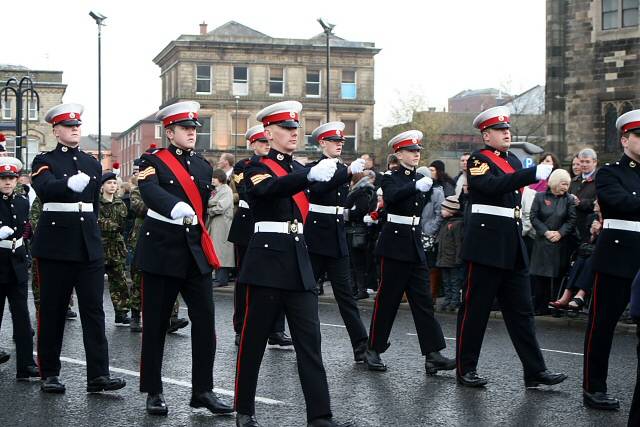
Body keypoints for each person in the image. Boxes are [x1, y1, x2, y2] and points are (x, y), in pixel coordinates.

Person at [234, 100, 352, 427]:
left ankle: (320, 416)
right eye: (286, 128)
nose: (293, 133)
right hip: (267, 260)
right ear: (268, 133)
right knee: (253, 341)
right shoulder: (255, 167)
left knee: (310, 343)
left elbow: (323, 186)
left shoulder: (300, 170)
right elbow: (271, 189)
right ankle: (244, 409)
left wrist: (346, 170)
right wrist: (308, 175)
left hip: (299, 260)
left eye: (295, 128)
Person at [456, 106, 566, 388]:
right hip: (486, 243)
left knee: (522, 312)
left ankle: (535, 371)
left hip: (512, 243)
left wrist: (528, 174)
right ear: (486, 135)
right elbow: (493, 186)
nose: (507, 133)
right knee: (476, 309)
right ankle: (465, 367)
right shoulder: (478, 161)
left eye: (507, 129)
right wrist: (532, 175)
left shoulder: (515, 161)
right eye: (500, 130)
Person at [135, 101, 232, 416]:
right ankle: (153, 390)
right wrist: (172, 206)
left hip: (193, 252)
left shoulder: (204, 165)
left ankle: (202, 390)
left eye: (194, 128)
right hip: (162, 249)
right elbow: (149, 191)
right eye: (186, 128)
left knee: (205, 324)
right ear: (170, 131)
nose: (192, 133)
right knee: (156, 324)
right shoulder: (153, 160)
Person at [31, 103, 125, 394]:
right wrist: (67, 184)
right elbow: (45, 188)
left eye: (77, 126)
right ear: (56, 130)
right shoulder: (44, 160)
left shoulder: (92, 163)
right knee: (53, 310)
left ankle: (99, 375)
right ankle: (49, 372)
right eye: (68, 126)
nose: (74, 129)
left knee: (94, 311)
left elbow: (95, 206)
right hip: (56, 246)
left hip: (88, 245)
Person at [365, 129, 455, 375]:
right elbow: (393, 197)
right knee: (387, 300)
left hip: (414, 243)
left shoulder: (419, 179)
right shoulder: (390, 177)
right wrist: (416, 185)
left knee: (423, 301)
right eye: (411, 151)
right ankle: (373, 348)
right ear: (399, 153)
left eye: (418, 151)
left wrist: (419, 184)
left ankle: (433, 353)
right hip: (394, 244)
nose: (416, 155)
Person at [581, 109, 640, 411]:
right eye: (638, 135)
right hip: (617, 254)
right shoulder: (609, 172)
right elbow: (620, 203)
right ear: (625, 139)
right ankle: (593, 387)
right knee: (602, 325)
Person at [305, 121, 369, 362]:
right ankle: (306, 342)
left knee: (346, 296)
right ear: (322, 143)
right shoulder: (314, 168)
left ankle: (361, 346)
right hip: (316, 236)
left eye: (341, 141)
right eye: (334, 141)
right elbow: (320, 189)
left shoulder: (343, 169)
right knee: (306, 293)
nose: (339, 145)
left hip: (337, 235)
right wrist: (348, 172)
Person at [227, 124, 292, 348]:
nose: (266, 146)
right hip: (248, 225)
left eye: (267, 141)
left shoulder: (282, 165)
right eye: (261, 142)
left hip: (274, 226)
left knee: (279, 278)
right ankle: (241, 327)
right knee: (245, 280)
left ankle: (276, 330)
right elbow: (248, 191)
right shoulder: (244, 166)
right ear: (253, 144)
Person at [0, 156, 38, 380]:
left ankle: (26, 364)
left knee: (22, 318)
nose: (7, 182)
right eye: (3, 178)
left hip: (17, 263)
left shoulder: (22, 201)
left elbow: (26, 227)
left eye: (11, 178)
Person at [528, 169, 576, 315]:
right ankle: (539, 307)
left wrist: (560, 233)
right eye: (563, 184)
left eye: (567, 184)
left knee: (557, 276)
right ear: (555, 183)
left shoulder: (569, 199)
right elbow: (533, 217)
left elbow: (572, 219)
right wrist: (546, 232)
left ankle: (555, 307)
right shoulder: (540, 196)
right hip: (542, 242)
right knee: (540, 276)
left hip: (560, 243)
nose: (565, 187)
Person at [99, 172, 131, 325]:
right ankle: (96, 313)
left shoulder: (120, 204)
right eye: (109, 183)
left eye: (114, 183)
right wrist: (110, 225)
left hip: (116, 247)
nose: (112, 185)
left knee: (119, 282)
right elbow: (95, 222)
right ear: (102, 186)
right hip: (99, 247)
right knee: (95, 284)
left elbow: (122, 226)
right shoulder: (95, 203)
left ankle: (121, 312)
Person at [345, 170, 377, 299]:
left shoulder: (361, 192)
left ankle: (360, 289)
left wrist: (345, 213)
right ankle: (355, 289)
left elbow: (360, 211)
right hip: (356, 229)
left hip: (356, 230)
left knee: (356, 262)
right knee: (354, 262)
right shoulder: (365, 191)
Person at [435, 196, 465, 311]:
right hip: (444, 259)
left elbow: (458, 243)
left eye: (444, 209)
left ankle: (454, 301)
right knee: (446, 282)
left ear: (451, 211)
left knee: (454, 282)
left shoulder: (457, 224)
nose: (441, 211)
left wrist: (458, 259)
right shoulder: (445, 223)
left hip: (453, 260)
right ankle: (447, 300)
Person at [208, 168, 235, 287]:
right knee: (216, 250)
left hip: (222, 224)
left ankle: (222, 279)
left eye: (214, 178)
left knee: (222, 251)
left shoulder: (226, 190)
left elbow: (221, 207)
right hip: (216, 223)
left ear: (220, 179)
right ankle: (218, 278)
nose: (212, 180)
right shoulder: (216, 190)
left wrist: (209, 210)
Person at [569, 148, 598, 244]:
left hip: (589, 228)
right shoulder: (574, 181)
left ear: (594, 162)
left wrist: (580, 203)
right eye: (582, 161)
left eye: (587, 162)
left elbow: (599, 202)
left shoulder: (600, 180)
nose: (584, 165)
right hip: (573, 229)